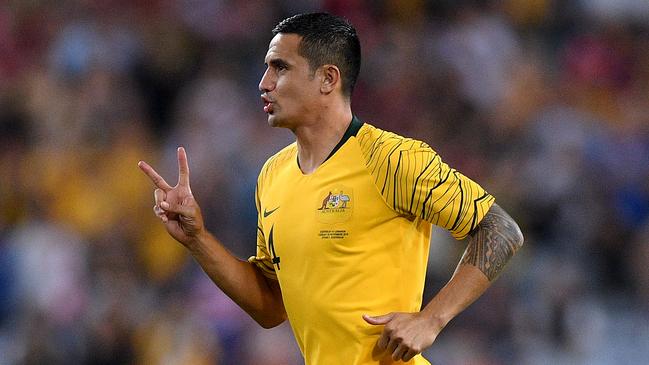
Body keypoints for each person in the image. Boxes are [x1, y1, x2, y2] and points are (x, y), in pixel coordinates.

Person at [138, 12, 524, 365]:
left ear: (327, 78)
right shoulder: (272, 175)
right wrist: (197, 238)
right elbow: (271, 306)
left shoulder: (390, 158)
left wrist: (431, 319)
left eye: (280, 68)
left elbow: (502, 229)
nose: (264, 83)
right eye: (266, 69)